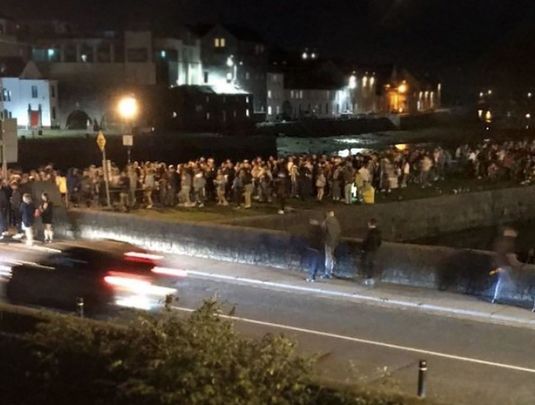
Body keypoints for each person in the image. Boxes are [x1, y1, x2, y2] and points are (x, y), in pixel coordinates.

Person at [490, 227, 523, 304]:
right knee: (506, 282)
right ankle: (497, 298)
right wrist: (516, 265)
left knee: (503, 282)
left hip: (501, 265)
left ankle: (497, 298)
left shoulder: (499, 243)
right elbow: (510, 257)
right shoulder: (509, 245)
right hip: (505, 266)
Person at [361, 218, 382, 286]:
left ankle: (368, 279)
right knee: (372, 265)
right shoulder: (378, 233)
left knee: (367, 264)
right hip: (375, 250)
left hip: (368, 250)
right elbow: (379, 242)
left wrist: (363, 248)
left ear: (370, 224)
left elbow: (366, 242)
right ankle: (371, 279)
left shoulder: (369, 233)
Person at [321, 210, 341, 279]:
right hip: (335, 242)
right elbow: (339, 232)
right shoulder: (336, 221)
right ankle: (332, 271)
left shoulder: (327, 221)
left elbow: (322, 230)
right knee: (332, 256)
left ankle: (327, 273)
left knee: (328, 257)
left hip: (328, 242)